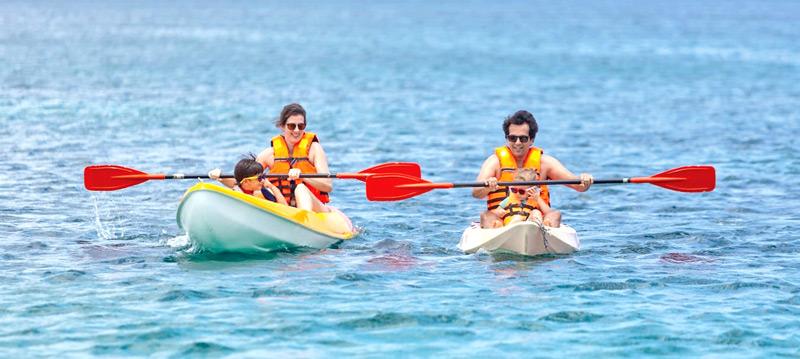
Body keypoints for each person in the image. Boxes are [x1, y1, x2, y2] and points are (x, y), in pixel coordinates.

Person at [473, 110, 593, 228]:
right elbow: (476, 193)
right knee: (486, 216)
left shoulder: (545, 163)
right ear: (507, 138)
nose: (518, 143)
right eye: (513, 138)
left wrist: (585, 179)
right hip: (503, 217)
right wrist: (487, 187)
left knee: (554, 215)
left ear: (532, 140)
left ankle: (544, 229)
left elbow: (579, 186)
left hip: (536, 217)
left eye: (523, 138)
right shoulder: (495, 162)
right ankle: (498, 229)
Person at [210, 103, 333, 213]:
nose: (296, 130)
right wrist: (220, 177)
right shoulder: (268, 155)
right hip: (284, 210)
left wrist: (303, 177)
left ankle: (305, 224)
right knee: (258, 191)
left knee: (300, 188)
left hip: (314, 210)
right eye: (291, 126)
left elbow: (327, 185)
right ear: (282, 126)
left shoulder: (314, 149)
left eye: (301, 126)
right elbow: (246, 182)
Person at [485, 168, 561, 228]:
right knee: (517, 218)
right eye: (514, 190)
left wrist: (538, 199)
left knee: (536, 212)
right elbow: (494, 212)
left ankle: (542, 227)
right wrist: (499, 213)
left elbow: (549, 212)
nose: (517, 193)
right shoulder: (509, 200)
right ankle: (500, 228)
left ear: (531, 190)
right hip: (510, 227)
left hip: (531, 228)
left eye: (521, 191)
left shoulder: (536, 200)